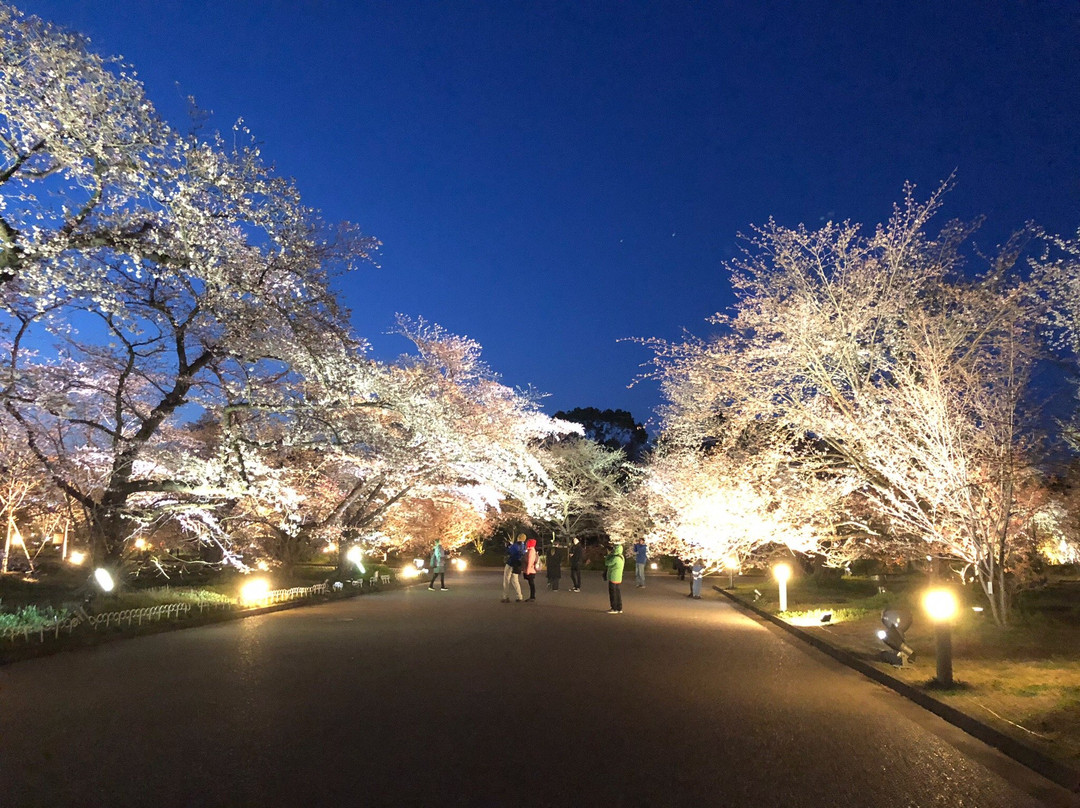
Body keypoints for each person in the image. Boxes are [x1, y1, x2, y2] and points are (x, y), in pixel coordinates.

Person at [502, 535, 525, 602]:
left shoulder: (515, 545)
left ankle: (505, 597)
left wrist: (508, 546)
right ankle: (519, 596)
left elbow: (509, 551)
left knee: (506, 580)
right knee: (515, 580)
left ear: (518, 538)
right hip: (517, 565)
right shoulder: (523, 546)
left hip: (511, 563)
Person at [604, 542, 625, 614]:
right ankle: (619, 608)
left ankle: (614, 608)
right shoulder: (621, 557)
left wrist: (608, 555)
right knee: (618, 593)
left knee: (613, 593)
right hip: (618, 577)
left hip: (613, 577)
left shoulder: (615, 558)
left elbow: (607, 563)